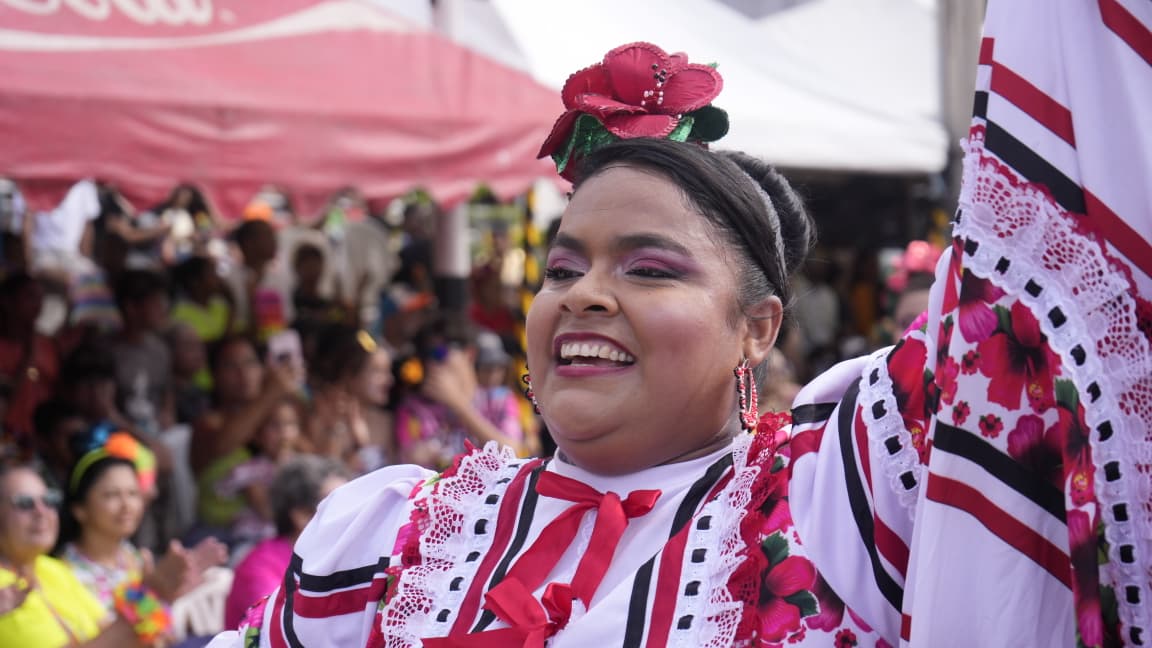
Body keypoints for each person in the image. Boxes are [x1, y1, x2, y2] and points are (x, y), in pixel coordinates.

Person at [211, 12, 1151, 646]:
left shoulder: (835, 495)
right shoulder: (387, 538)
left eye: (650, 269)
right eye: (563, 268)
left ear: (757, 330)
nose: (582, 296)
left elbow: (1032, 279)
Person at [0, 460, 150, 646]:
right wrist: (154, 594)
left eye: (49, 500)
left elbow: (111, 631)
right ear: (79, 509)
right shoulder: (4, 587)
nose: (41, 511)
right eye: (24, 503)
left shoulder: (51, 568)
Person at [222, 456, 350, 630]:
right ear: (302, 515)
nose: (353, 515)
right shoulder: (259, 569)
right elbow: (277, 632)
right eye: (340, 507)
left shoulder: (341, 559)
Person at [306, 325, 394, 473]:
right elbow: (324, 476)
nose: (389, 380)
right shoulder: (322, 420)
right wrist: (338, 429)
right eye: (377, 371)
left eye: (387, 371)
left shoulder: (386, 421)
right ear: (350, 375)